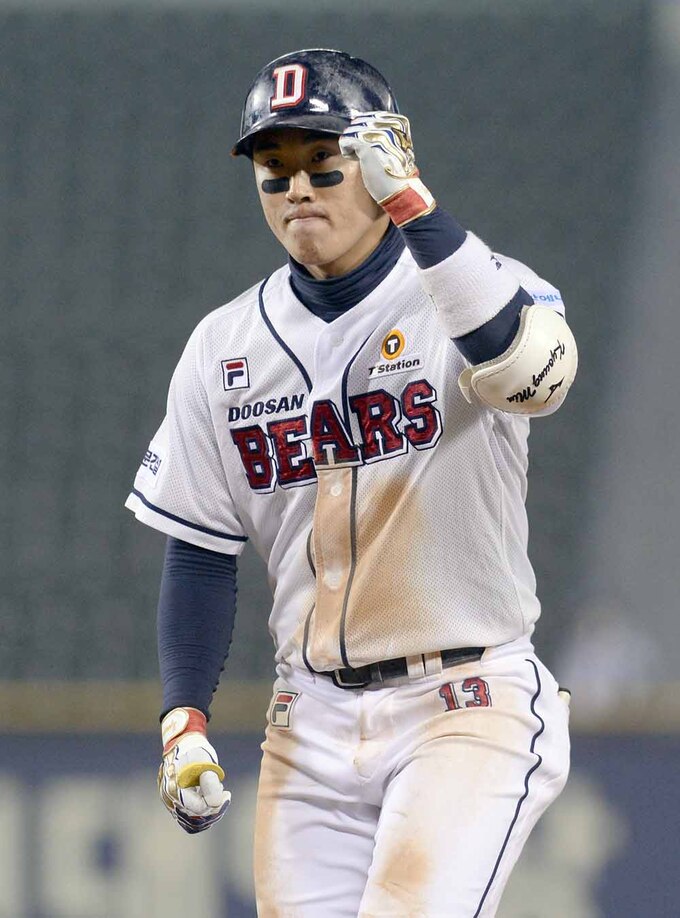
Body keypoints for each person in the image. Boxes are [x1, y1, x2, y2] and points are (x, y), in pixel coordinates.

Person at [126, 48, 577, 917]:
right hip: (309, 724)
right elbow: (200, 551)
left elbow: (532, 376)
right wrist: (183, 718)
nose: (298, 187)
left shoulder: (472, 286)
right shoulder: (223, 346)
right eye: (274, 167)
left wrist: (417, 208)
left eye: (324, 162)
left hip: (465, 702)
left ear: (381, 160)